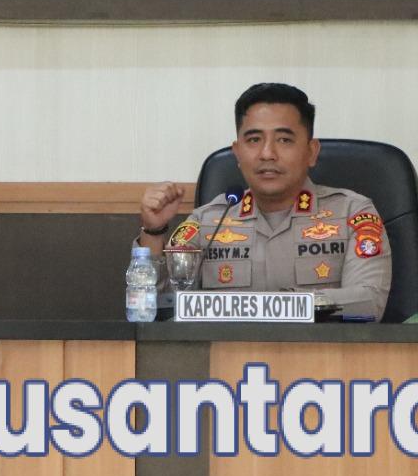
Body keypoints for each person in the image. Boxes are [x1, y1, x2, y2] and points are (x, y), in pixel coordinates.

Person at [137, 83, 391, 320]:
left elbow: (369, 302)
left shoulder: (352, 213)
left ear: (311, 152)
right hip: (226, 353)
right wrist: (153, 232)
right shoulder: (208, 221)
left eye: (284, 140)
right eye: (254, 140)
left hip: (321, 353)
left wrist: (280, 305)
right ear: (237, 152)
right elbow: (155, 308)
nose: (267, 153)